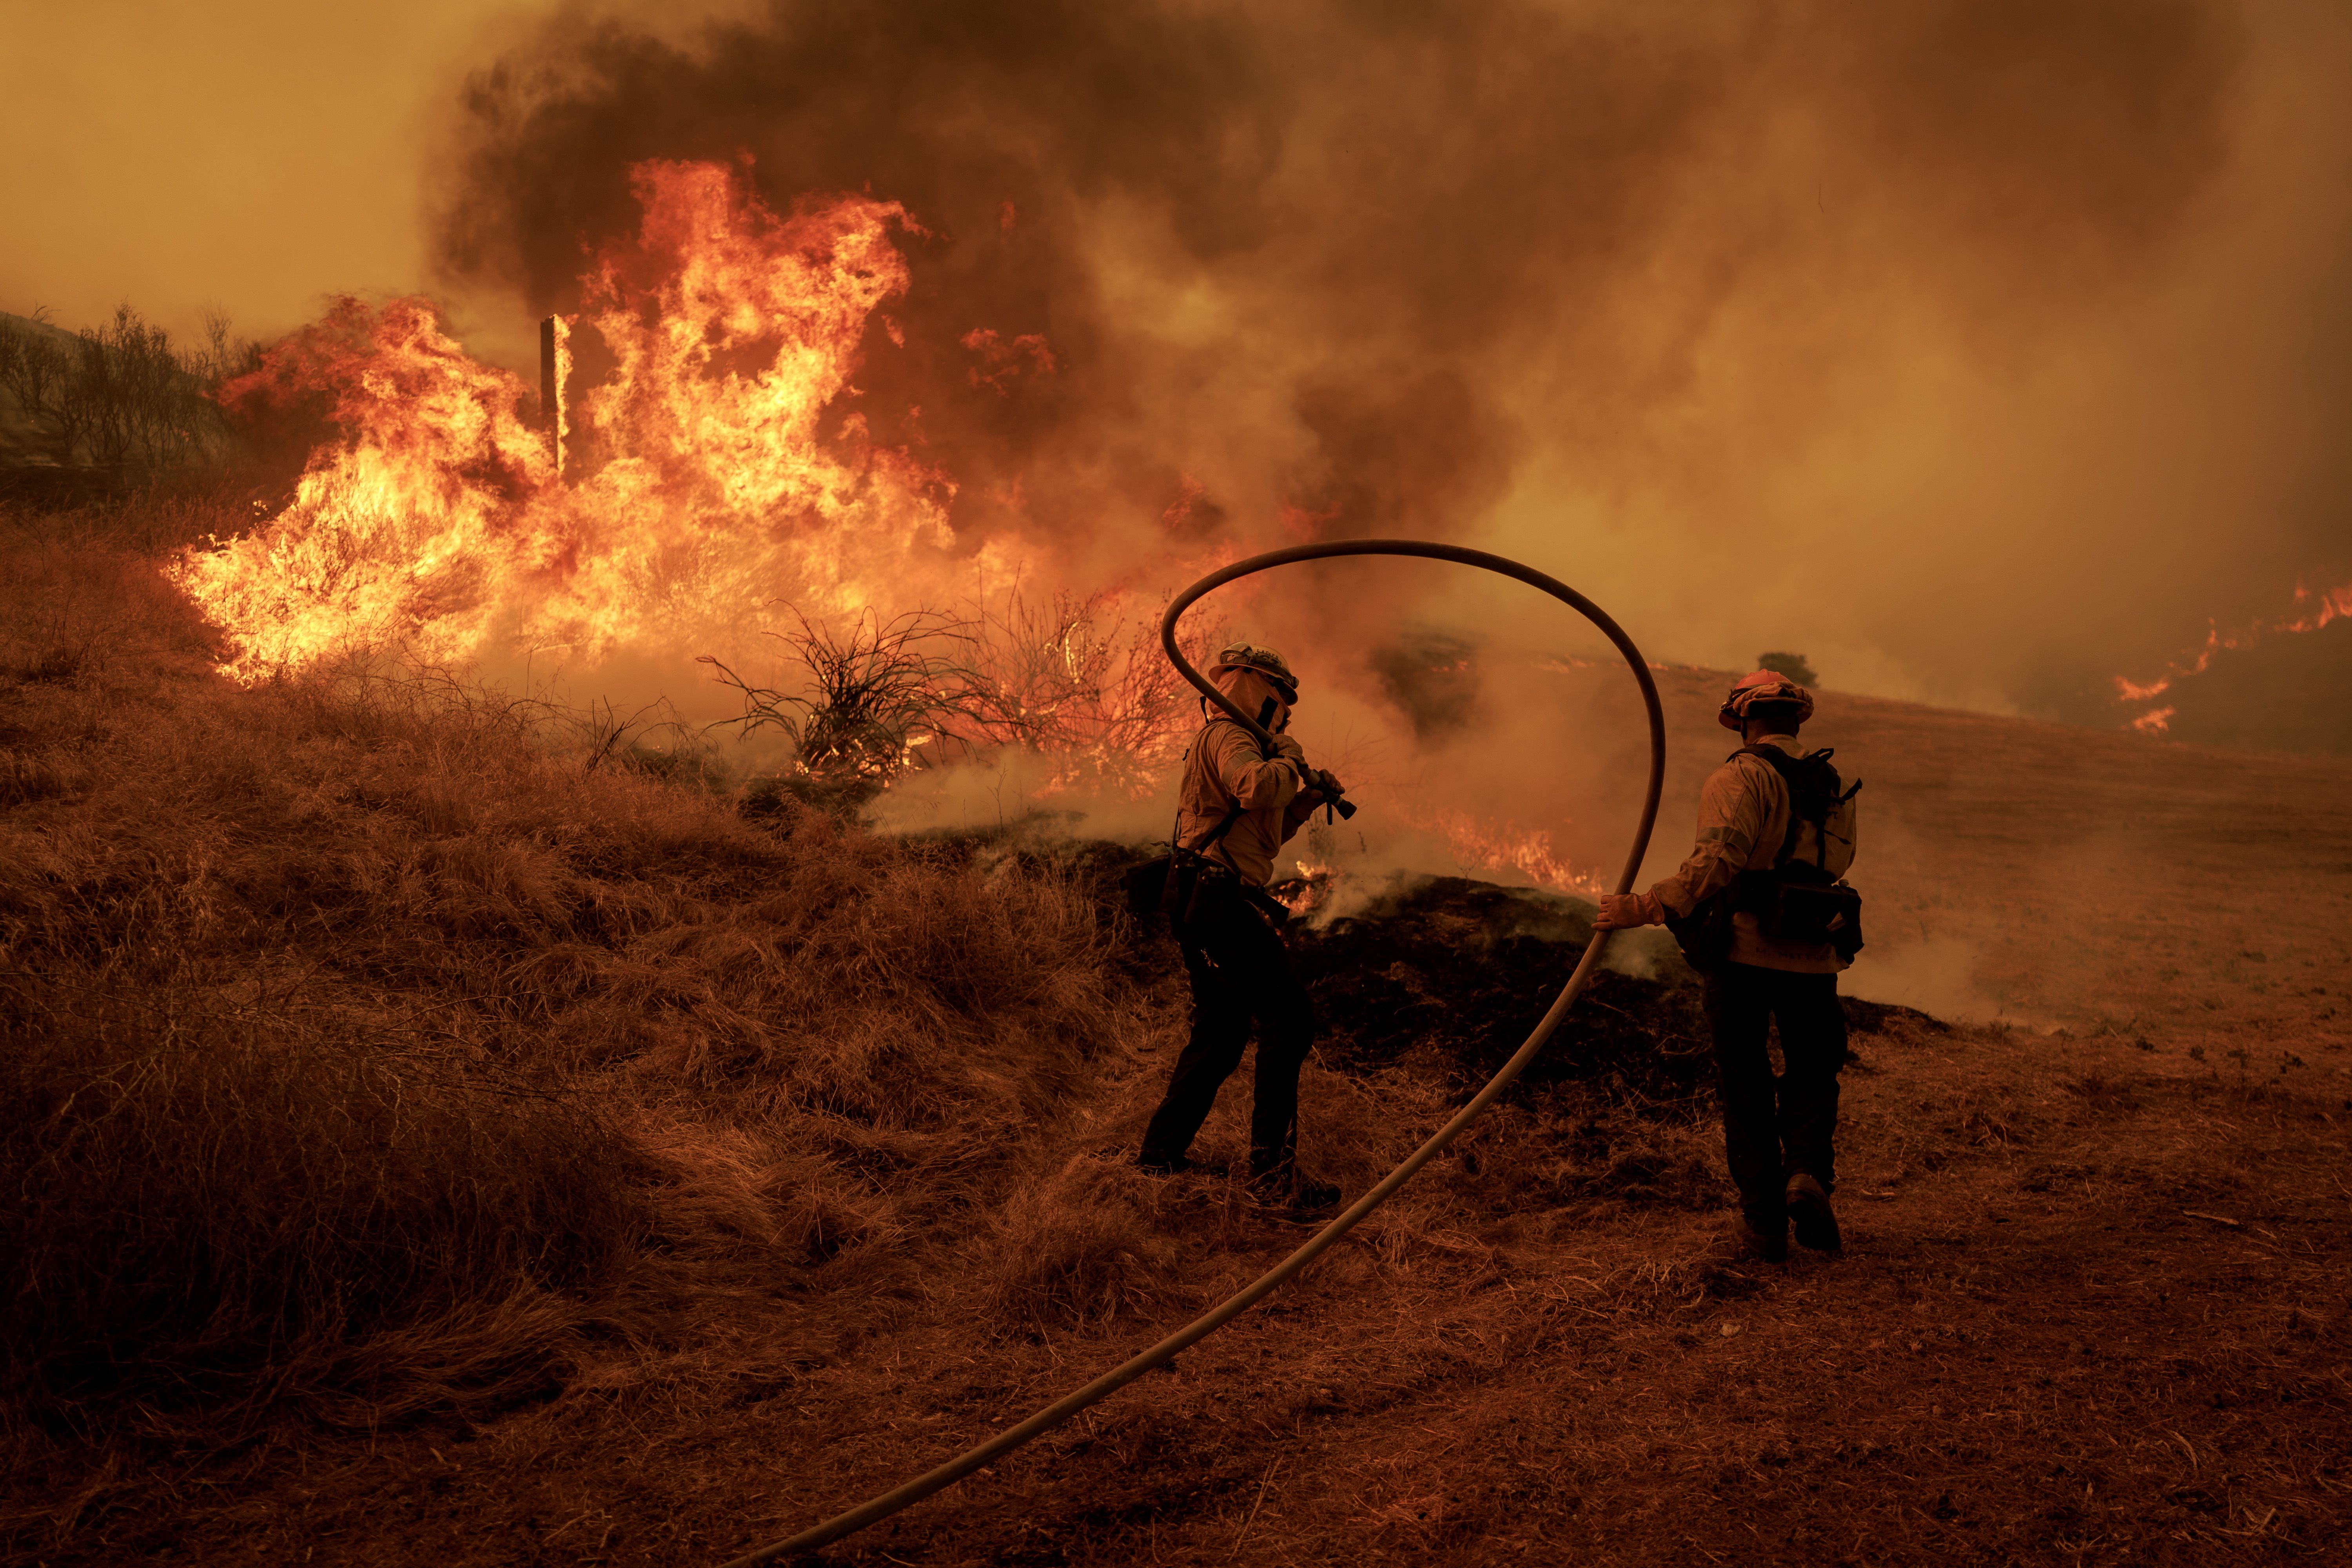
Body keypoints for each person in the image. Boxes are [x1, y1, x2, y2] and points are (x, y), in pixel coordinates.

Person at [1593, 670, 1861, 1263]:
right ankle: (1808, 1175)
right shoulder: (1832, 784)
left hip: (1743, 954)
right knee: (1814, 1073)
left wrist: (1643, 907)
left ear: (1743, 721)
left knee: (1746, 1085)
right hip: (1816, 958)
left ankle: (1765, 1228)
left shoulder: (1741, 776)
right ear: (1797, 722)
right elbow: (1838, 862)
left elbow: (1717, 859)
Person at [1137, 642, 1346, 1212]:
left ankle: (1160, 1157)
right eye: (1282, 696)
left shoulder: (1244, 742)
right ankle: (1272, 1177)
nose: (1287, 711)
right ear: (1256, 685)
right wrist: (1289, 756)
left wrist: (1306, 800)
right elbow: (1255, 787)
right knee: (1290, 1017)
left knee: (1222, 1033)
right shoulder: (1231, 736)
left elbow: (1263, 835)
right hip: (1218, 899)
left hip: (1215, 895)